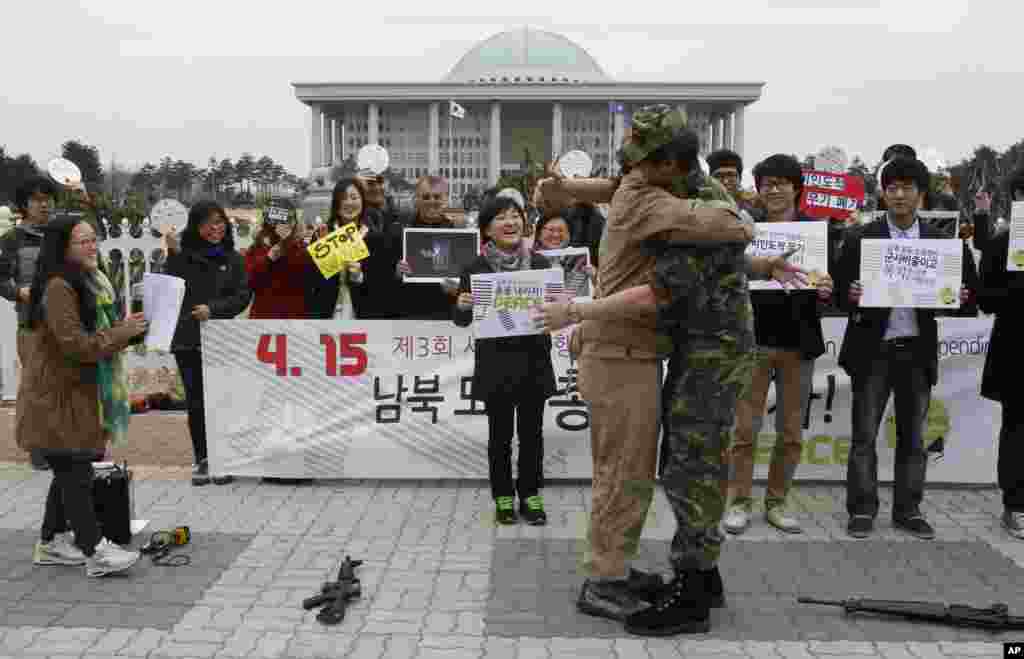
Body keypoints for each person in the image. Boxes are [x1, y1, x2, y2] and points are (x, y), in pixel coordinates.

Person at [534, 105, 799, 629]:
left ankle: (615, 568)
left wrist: (567, 188)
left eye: (642, 161)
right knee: (622, 474)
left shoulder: (644, 191)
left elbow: (616, 188)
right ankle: (604, 580)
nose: (632, 170)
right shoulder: (653, 201)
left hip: (627, 354)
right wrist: (577, 311)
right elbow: (728, 227)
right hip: (617, 353)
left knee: (630, 472)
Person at [835, 157, 977, 540]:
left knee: (913, 437)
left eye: (907, 188)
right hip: (872, 350)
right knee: (864, 436)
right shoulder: (859, 238)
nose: (899, 195)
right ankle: (862, 510)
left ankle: (908, 510)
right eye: (892, 188)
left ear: (920, 194)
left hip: (917, 350)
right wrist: (850, 295)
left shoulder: (941, 242)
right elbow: (836, 292)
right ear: (883, 194)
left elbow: (967, 298)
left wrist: (962, 296)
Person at [16, 214, 147, 576]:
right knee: (75, 474)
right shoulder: (60, 286)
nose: (92, 246)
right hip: (57, 397)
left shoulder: (86, 281)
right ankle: (95, 552)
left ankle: (52, 541)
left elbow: (95, 337)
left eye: (94, 239)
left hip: (71, 394)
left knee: (70, 470)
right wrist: (121, 332)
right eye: (83, 241)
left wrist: (128, 331)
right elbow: (76, 346)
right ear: (63, 248)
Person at [724, 155, 834, 536]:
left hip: (798, 341)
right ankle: (738, 502)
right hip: (751, 340)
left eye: (781, 182)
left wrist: (826, 290)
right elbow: (727, 276)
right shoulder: (744, 227)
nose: (773, 189)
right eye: (766, 183)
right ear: (758, 188)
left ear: (796, 187)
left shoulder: (815, 230)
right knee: (744, 430)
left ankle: (777, 501)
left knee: (790, 432)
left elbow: (826, 289)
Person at [453, 196, 557, 525]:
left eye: (515, 216)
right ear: (486, 228)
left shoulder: (541, 265)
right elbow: (461, 320)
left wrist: (561, 305)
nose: (510, 222)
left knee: (532, 434)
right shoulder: (475, 269)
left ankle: (530, 494)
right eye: (501, 217)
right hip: (496, 365)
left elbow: (557, 314)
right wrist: (462, 304)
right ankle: (502, 496)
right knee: (499, 436)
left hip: (534, 361)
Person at [166, 201, 251, 486]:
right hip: (188, 340)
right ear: (195, 227)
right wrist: (172, 253)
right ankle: (203, 459)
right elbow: (170, 289)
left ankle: (222, 458)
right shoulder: (183, 256)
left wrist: (213, 310)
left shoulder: (234, 258)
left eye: (219, 222)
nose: (214, 229)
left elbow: (241, 297)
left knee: (222, 400)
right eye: (206, 224)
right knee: (197, 401)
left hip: (221, 339)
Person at [0, 176, 60, 470]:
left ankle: (61, 443)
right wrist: (18, 292)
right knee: (36, 384)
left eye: (48, 198)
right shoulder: (12, 239)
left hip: (65, 321)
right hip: (31, 323)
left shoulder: (61, 234)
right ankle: (36, 446)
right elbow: (1, 279)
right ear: (24, 205)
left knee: (62, 383)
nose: (44, 204)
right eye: (36, 199)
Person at [976, 200, 1024, 538]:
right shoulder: (1000, 243)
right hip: (1017, 349)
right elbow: (986, 300)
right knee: (1018, 429)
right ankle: (1016, 505)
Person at [393, 176, 464, 320]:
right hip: (409, 315)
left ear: (446, 199)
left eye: (437, 196)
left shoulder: (460, 233)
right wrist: (396, 273)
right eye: (426, 197)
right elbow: (383, 283)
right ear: (416, 200)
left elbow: (469, 281)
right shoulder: (399, 231)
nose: (432, 201)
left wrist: (459, 289)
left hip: (448, 316)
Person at [246, 198, 317, 319]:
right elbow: (251, 283)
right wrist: (268, 258)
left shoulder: (302, 248)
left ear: (294, 222)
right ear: (267, 222)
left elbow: (312, 280)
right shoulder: (256, 248)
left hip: (296, 319)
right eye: (274, 222)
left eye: (288, 221)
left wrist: (290, 244)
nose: (281, 226)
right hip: (264, 319)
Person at [308, 178, 368, 320]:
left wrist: (358, 276)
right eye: (343, 198)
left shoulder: (373, 236)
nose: (348, 203)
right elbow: (311, 281)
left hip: (362, 316)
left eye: (354, 197)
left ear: (363, 201)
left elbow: (380, 284)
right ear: (336, 203)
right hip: (326, 314)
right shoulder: (322, 234)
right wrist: (325, 255)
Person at [707, 149, 758, 217]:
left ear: (740, 179)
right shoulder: (699, 207)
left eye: (731, 175)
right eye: (719, 176)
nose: (725, 181)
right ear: (709, 179)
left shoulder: (754, 208)